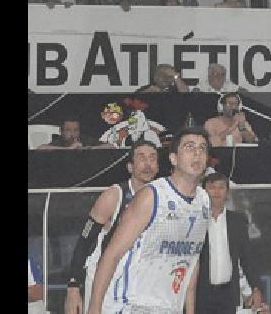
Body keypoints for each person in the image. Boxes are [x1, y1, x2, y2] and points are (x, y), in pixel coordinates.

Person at [86, 128, 213, 314]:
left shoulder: (203, 200)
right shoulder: (152, 196)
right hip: (131, 304)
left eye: (203, 148)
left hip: (169, 306)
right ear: (173, 158)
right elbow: (111, 254)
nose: (197, 153)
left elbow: (191, 261)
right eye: (189, 147)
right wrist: (94, 308)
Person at [64, 141, 160, 314]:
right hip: (106, 282)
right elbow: (84, 242)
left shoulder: (162, 197)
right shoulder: (114, 196)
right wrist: (73, 286)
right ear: (130, 167)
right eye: (142, 158)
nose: (148, 163)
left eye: (152, 158)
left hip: (141, 282)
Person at [196, 172, 266, 313]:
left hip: (228, 294)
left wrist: (256, 288)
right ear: (203, 192)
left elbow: (247, 257)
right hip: (200, 294)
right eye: (211, 187)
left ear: (227, 193)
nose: (216, 192)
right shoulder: (195, 220)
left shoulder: (237, 221)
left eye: (221, 187)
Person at [38, 118, 103, 150]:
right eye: (68, 130)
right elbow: (41, 148)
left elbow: (110, 146)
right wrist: (69, 149)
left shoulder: (85, 139)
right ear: (61, 132)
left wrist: (90, 148)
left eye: (76, 130)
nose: (72, 133)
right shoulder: (59, 141)